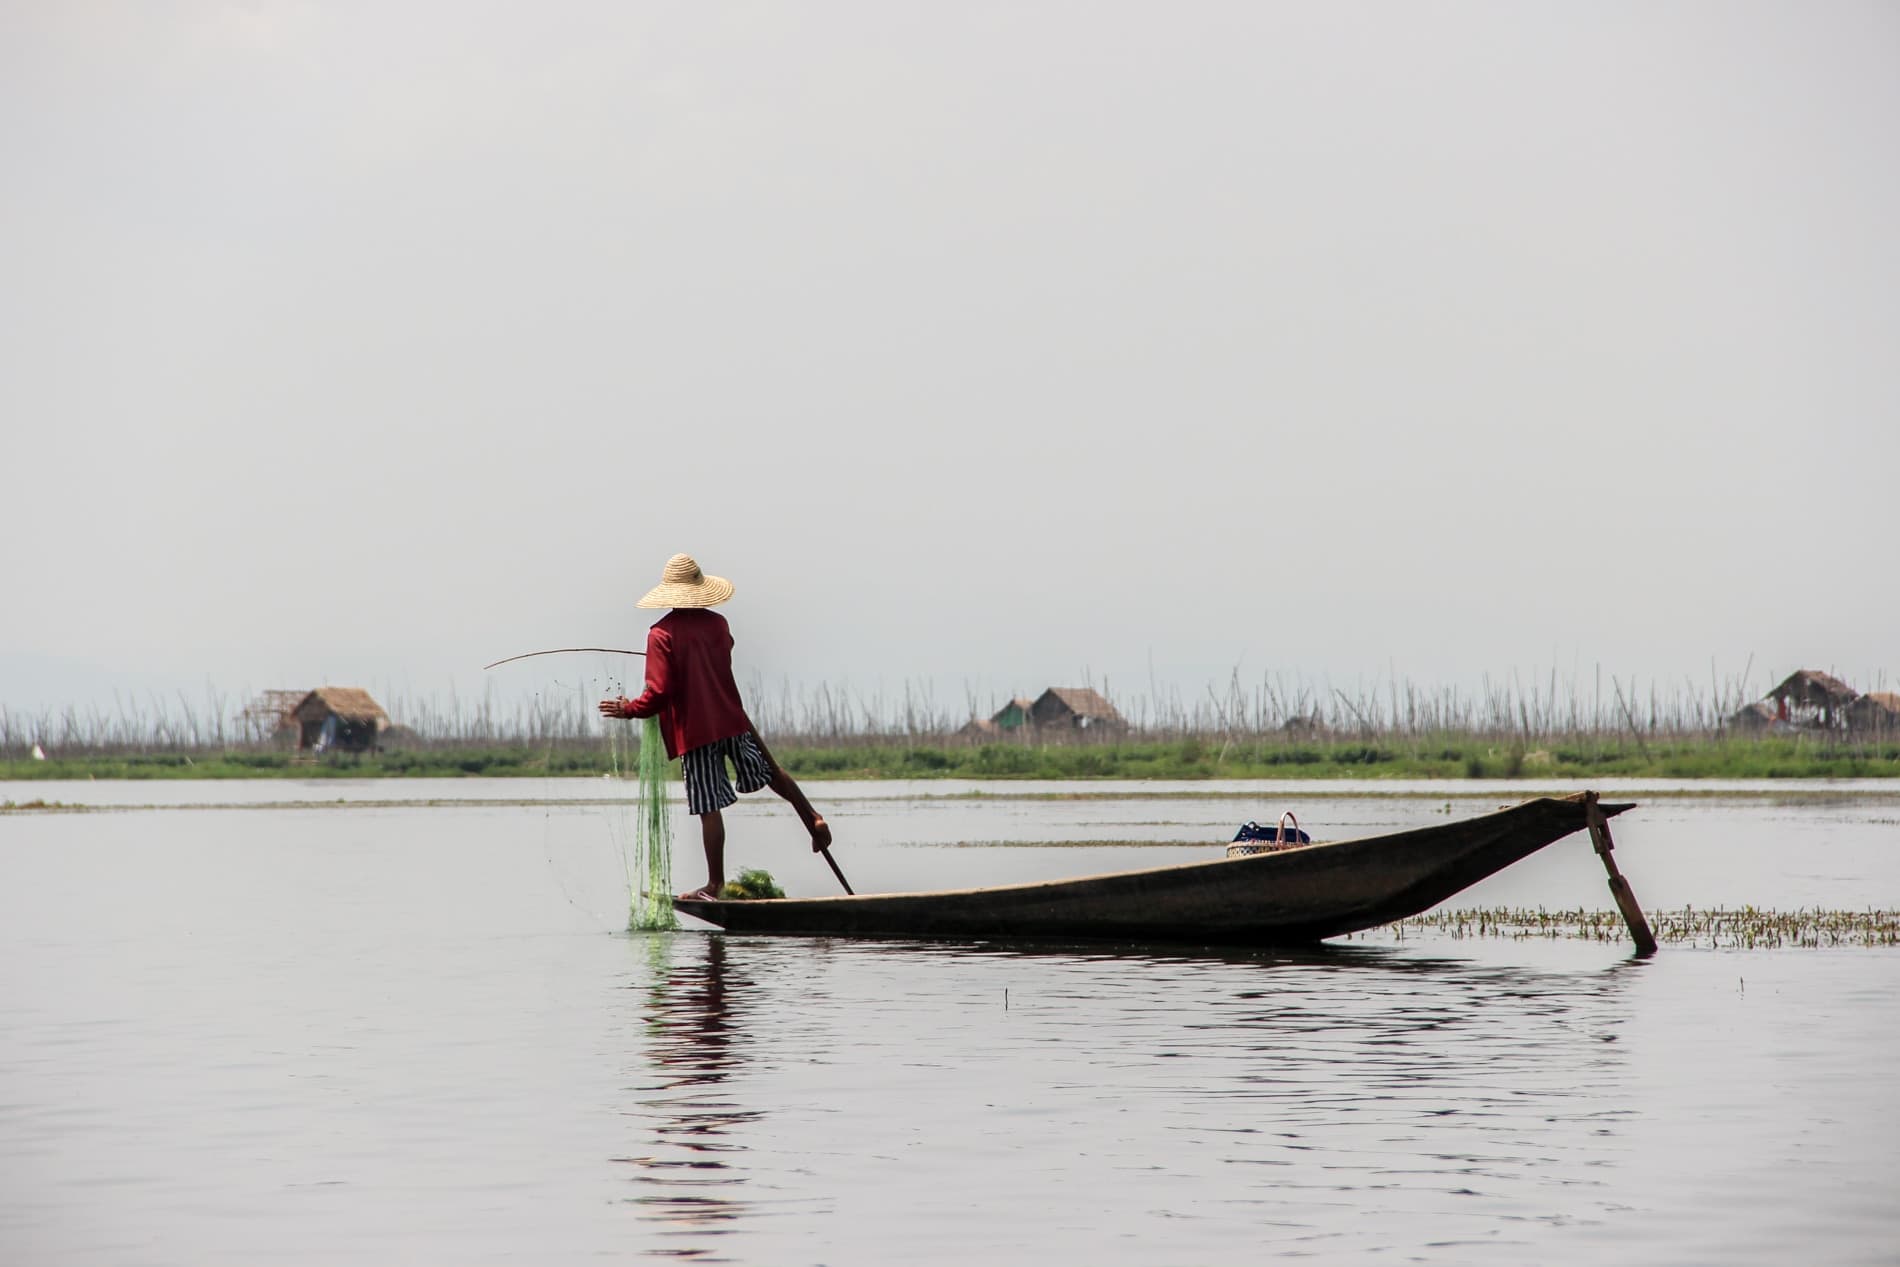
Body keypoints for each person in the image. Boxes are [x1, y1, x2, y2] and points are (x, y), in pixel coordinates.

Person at [598, 553, 832, 901]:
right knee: (769, 771)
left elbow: (659, 692)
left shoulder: (660, 634)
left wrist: (629, 709)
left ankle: (714, 885)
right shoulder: (719, 624)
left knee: (709, 807)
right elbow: (717, 660)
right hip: (732, 717)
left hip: (696, 731)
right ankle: (812, 816)